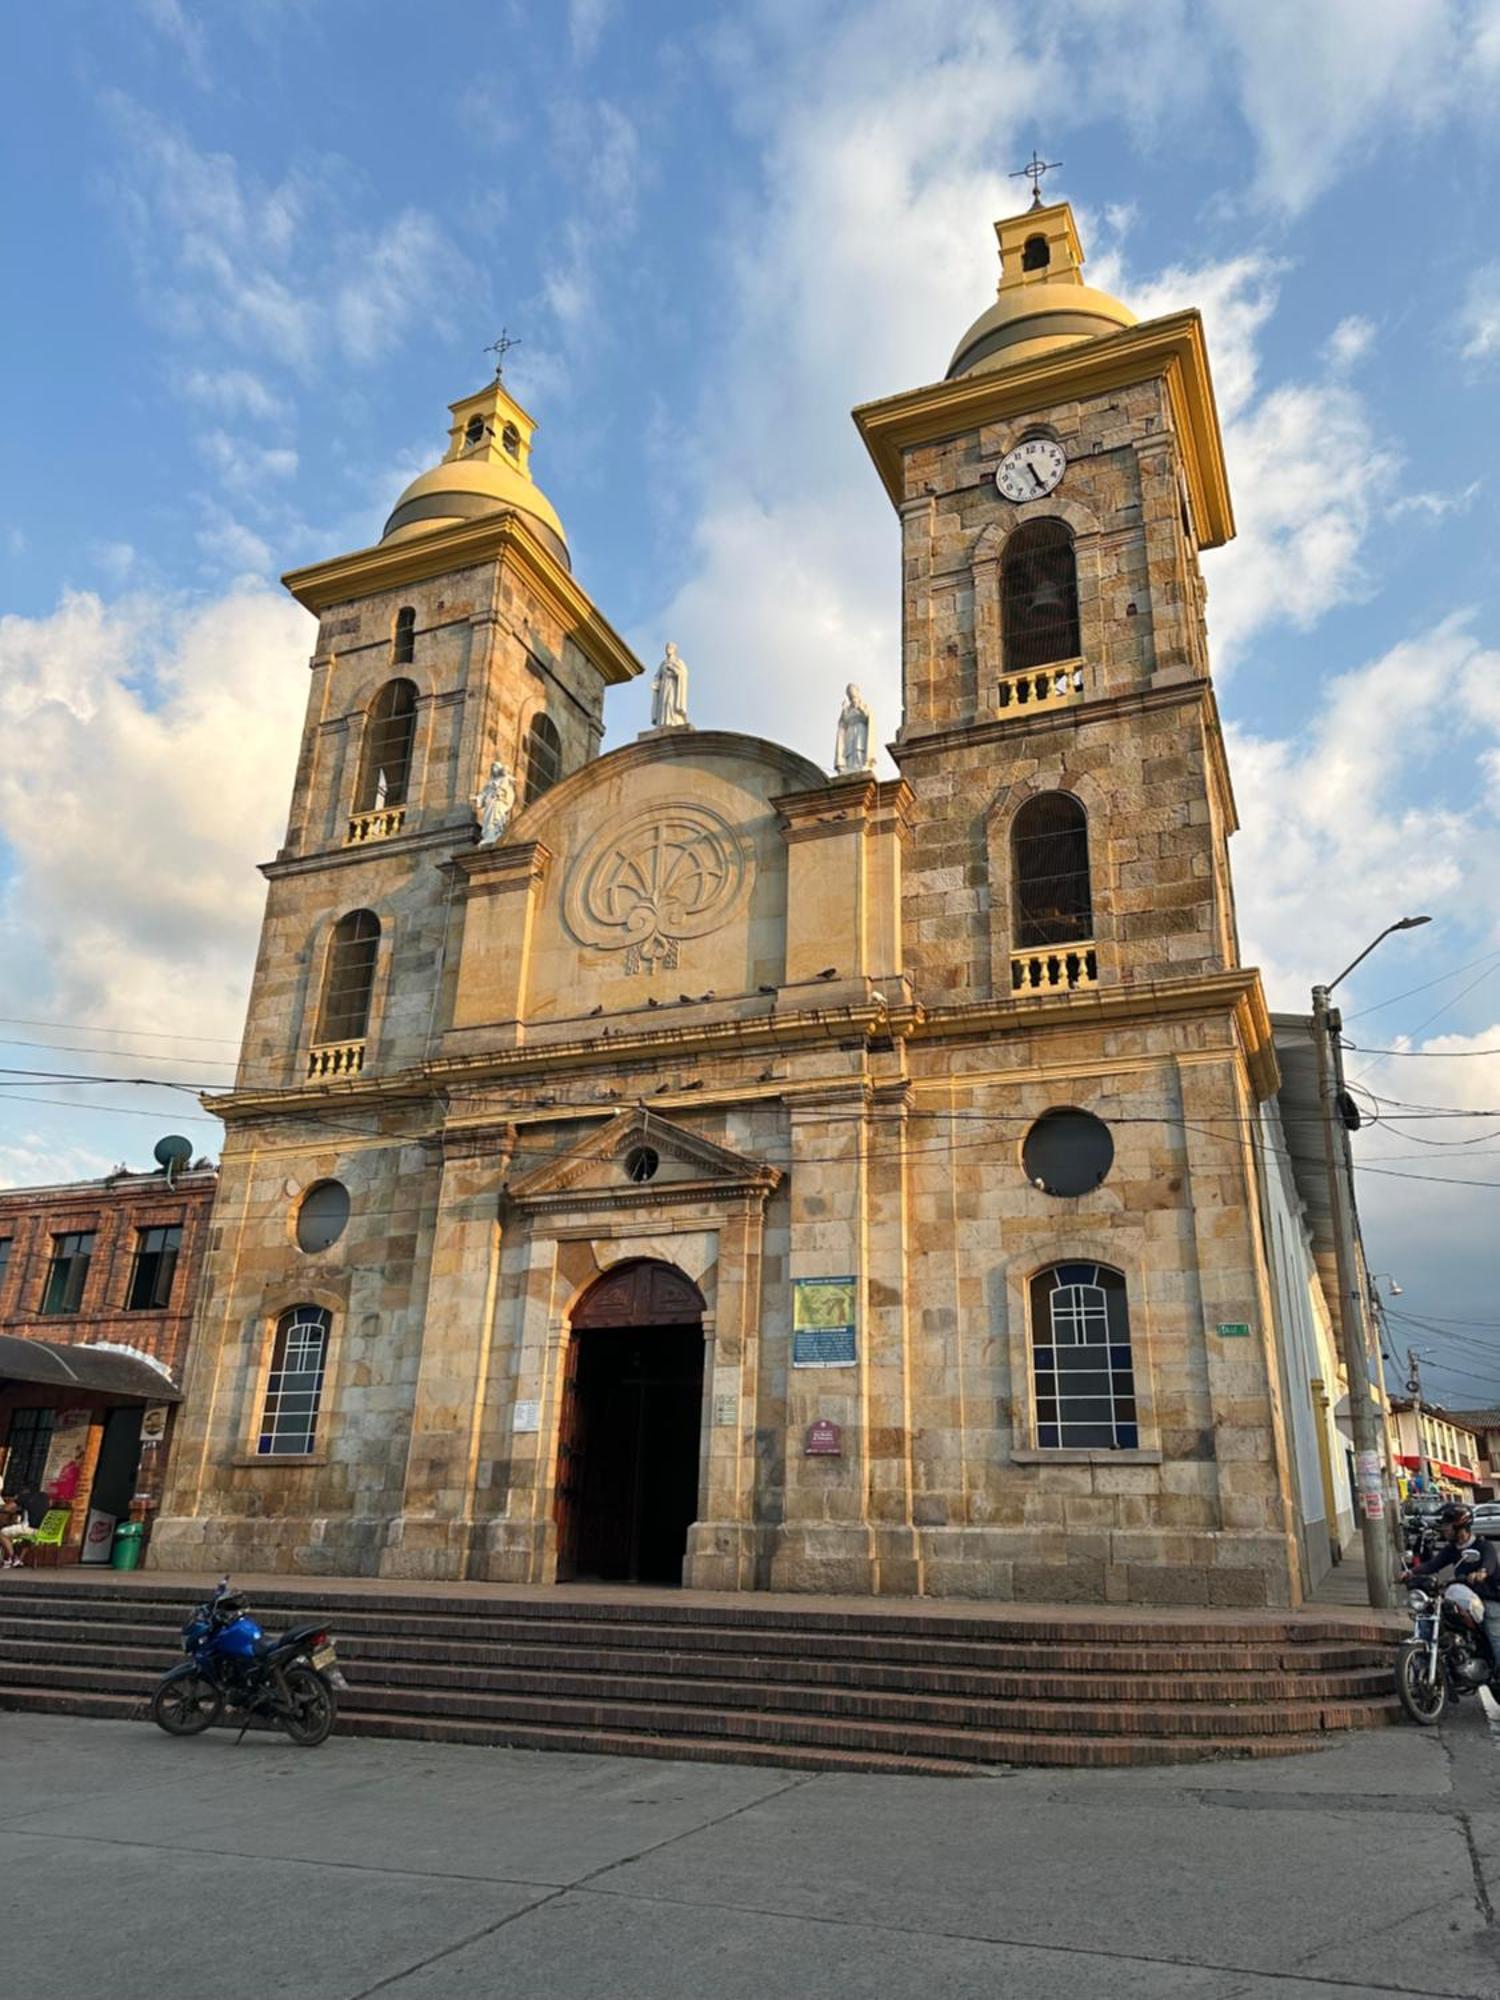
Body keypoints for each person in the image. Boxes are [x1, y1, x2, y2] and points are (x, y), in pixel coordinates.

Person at [1401, 1501, 1500, 1669]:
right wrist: (1411, 1572)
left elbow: (1489, 1562)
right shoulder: (1451, 1549)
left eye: (1447, 1526)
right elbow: (1433, 1564)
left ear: (1459, 1528)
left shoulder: (1483, 1545)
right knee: (1437, 1612)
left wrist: (1482, 1572)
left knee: (1494, 1631)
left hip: (1488, 1596)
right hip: (1463, 1595)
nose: (1444, 1530)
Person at [0, 1484, 53, 1567]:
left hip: (28, 1527)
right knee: (26, 1539)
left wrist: (14, 1502)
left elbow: (7, 1508)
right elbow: (49, 1504)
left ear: (25, 1491)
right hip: (40, 1530)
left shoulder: (24, 1497)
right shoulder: (45, 1497)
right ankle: (19, 1560)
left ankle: (13, 1558)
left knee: (2, 1533)